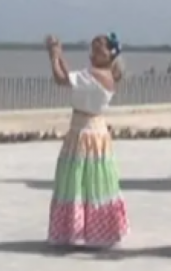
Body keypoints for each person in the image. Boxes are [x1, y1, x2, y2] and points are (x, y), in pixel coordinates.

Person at [45, 33, 129, 248]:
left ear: (108, 54)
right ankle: (100, 229)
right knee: (94, 182)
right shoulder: (105, 75)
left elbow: (61, 79)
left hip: (83, 132)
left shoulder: (93, 74)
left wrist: (53, 56)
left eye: (98, 48)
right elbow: (71, 77)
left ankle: (76, 229)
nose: (92, 53)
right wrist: (60, 55)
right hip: (95, 131)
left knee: (77, 181)